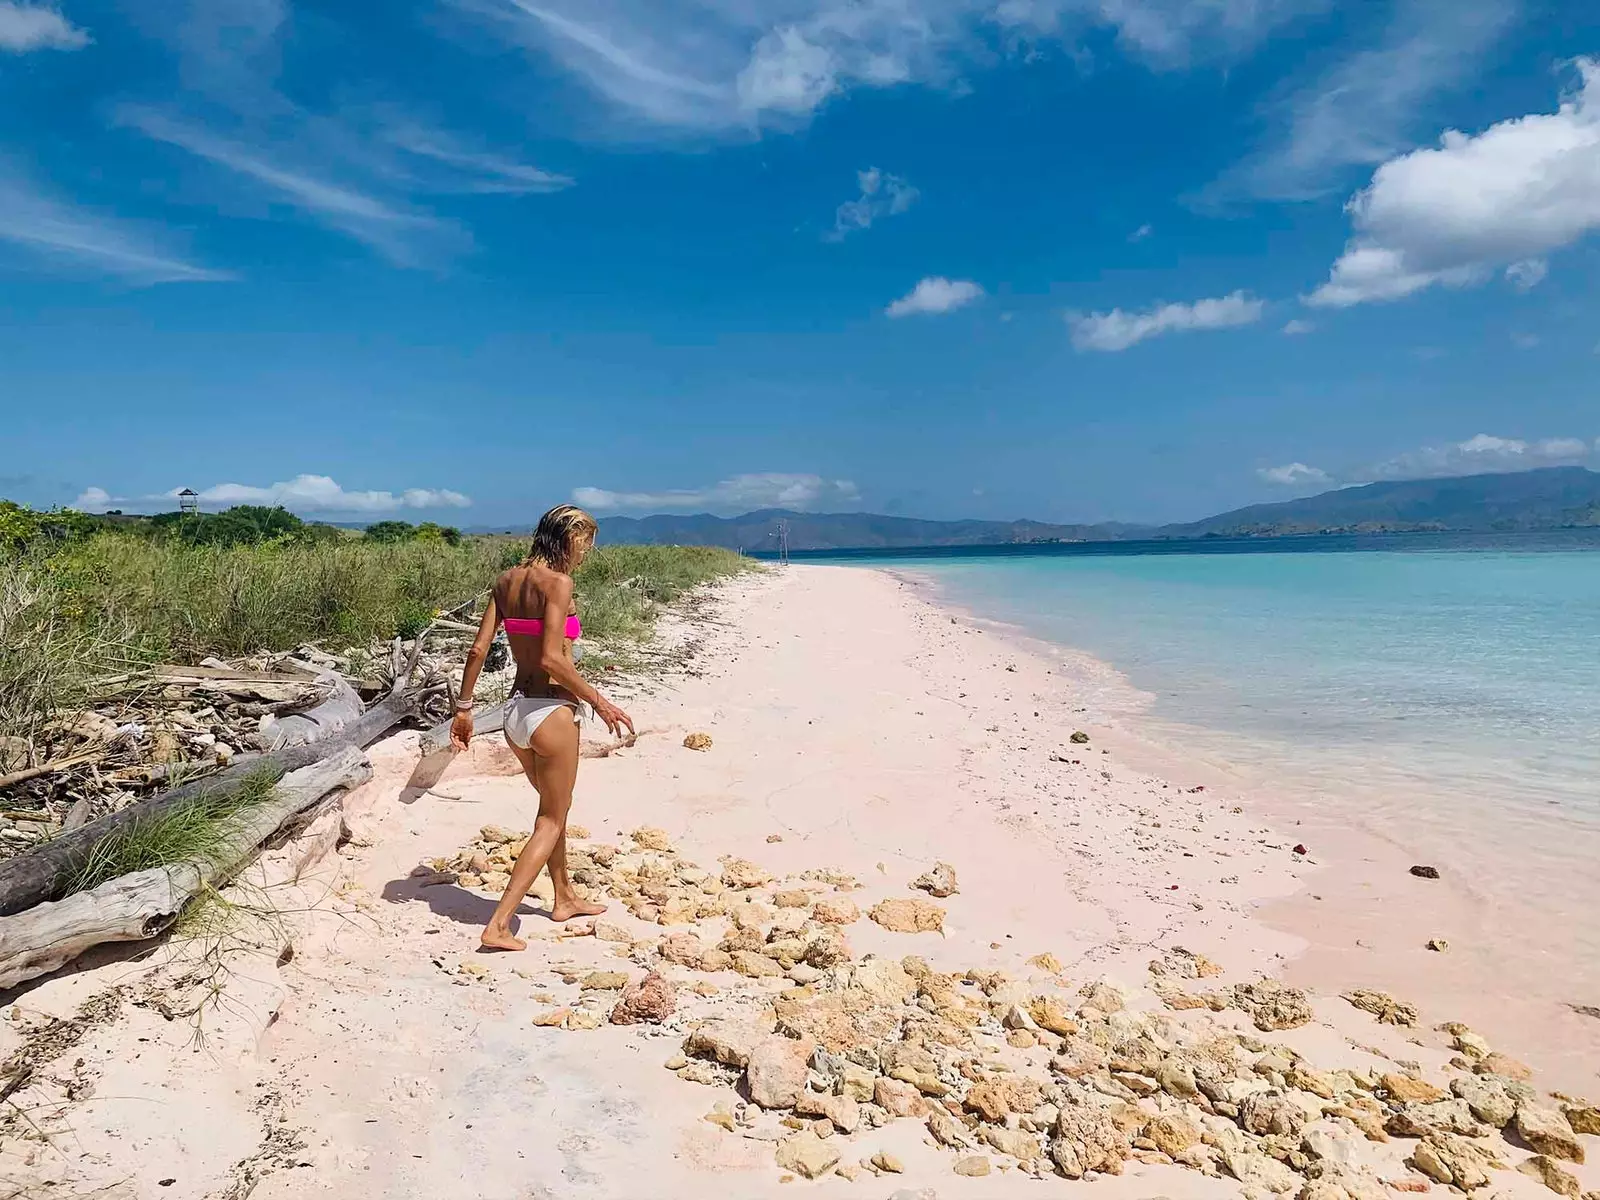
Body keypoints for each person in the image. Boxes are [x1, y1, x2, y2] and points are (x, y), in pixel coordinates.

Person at [450, 504, 635, 951]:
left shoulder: (505, 582)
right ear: (569, 539)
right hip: (552, 713)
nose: (585, 555)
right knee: (551, 817)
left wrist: (464, 708)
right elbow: (553, 658)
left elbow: (477, 651)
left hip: (515, 714)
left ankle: (564, 896)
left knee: (556, 810)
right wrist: (601, 702)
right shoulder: (558, 584)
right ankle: (499, 923)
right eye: (585, 544)